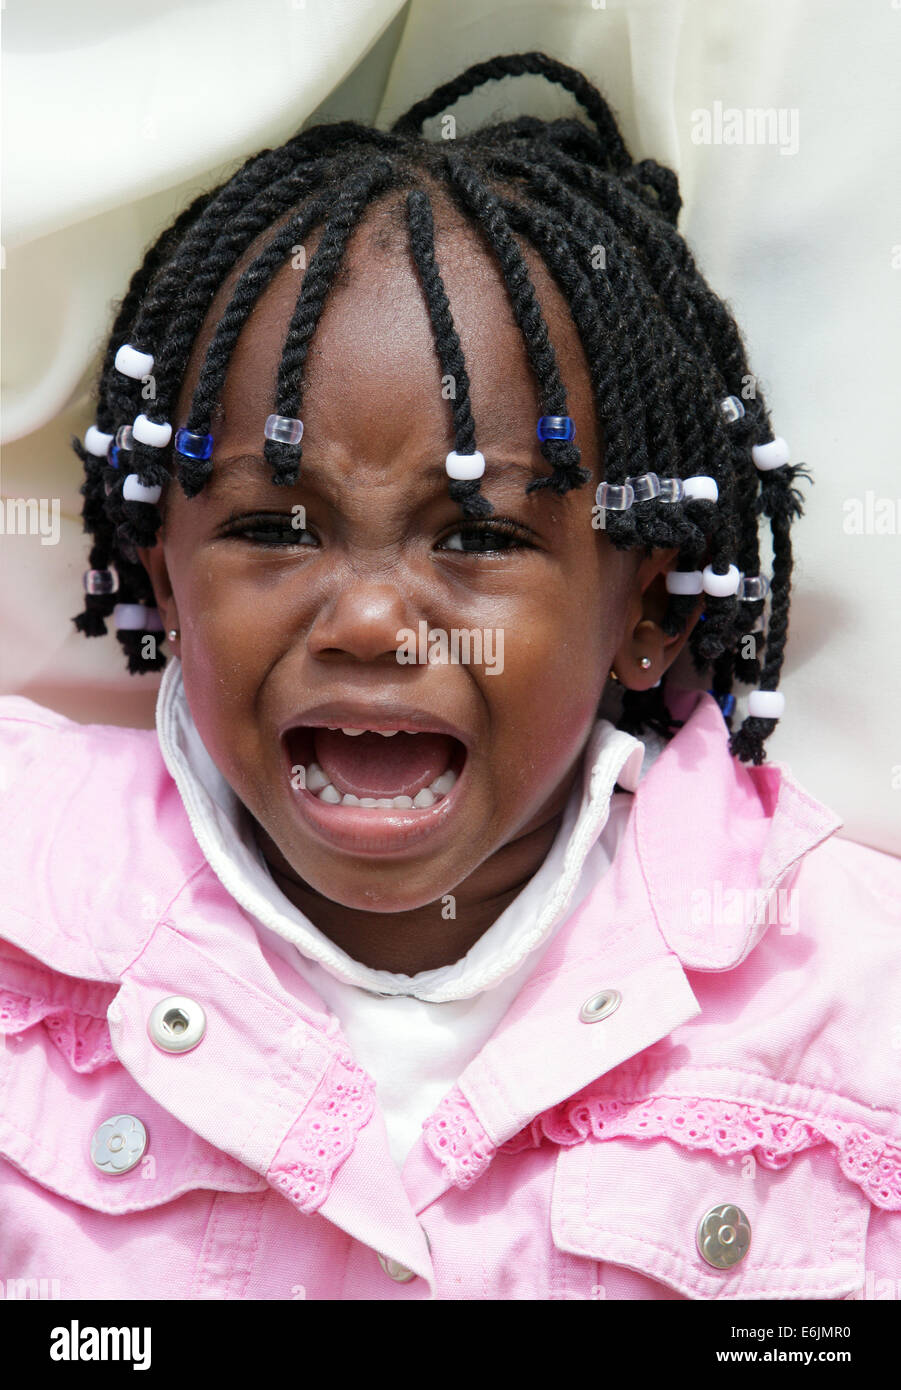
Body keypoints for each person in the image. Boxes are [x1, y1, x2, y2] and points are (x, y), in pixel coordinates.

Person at [1, 52, 898, 1301]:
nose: (369, 620)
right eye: (275, 527)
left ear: (643, 610)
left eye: (478, 537)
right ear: (164, 576)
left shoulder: (848, 1001)